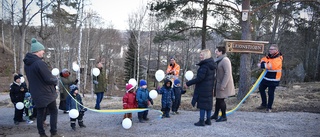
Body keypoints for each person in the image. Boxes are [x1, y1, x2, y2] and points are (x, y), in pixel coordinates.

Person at [23, 38, 63, 137]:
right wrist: (56, 80)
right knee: (53, 111)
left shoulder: (27, 64)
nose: (43, 52)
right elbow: (48, 78)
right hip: (46, 93)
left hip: (36, 93)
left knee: (40, 113)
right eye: (42, 50)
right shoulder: (39, 63)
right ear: (37, 51)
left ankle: (42, 134)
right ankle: (53, 133)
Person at [184, 49, 216, 126]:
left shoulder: (204, 66)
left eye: (201, 55)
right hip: (209, 88)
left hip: (203, 88)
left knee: (202, 105)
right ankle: (208, 120)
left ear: (205, 56)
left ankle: (201, 121)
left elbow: (199, 78)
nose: (200, 56)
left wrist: (188, 83)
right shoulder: (212, 65)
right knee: (208, 105)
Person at [210, 46, 235, 122]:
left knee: (221, 100)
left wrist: (223, 85)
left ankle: (224, 116)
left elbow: (227, 73)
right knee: (218, 99)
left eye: (217, 51)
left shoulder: (225, 60)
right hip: (218, 83)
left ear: (221, 52)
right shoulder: (219, 60)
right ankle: (216, 114)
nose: (215, 52)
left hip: (224, 84)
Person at [256, 44, 283, 112]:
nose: (270, 50)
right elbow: (263, 59)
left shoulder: (278, 58)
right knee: (261, 89)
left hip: (274, 78)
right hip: (266, 77)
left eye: (272, 49)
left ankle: (269, 107)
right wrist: (263, 63)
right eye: (269, 49)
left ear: (276, 50)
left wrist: (262, 65)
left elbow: (272, 66)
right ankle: (263, 104)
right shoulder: (269, 56)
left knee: (270, 93)